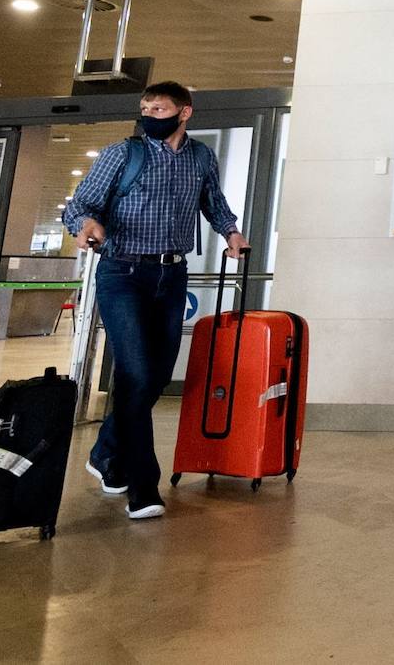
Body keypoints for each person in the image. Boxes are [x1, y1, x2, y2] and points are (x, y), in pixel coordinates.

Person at [62, 81, 249, 519]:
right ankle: (142, 486)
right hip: (122, 271)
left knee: (155, 375)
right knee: (136, 371)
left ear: (184, 113)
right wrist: (86, 224)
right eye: (145, 107)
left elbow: (213, 202)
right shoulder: (122, 154)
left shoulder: (201, 157)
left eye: (159, 107)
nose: (150, 113)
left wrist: (232, 233)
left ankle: (106, 452)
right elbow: (83, 203)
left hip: (172, 273)